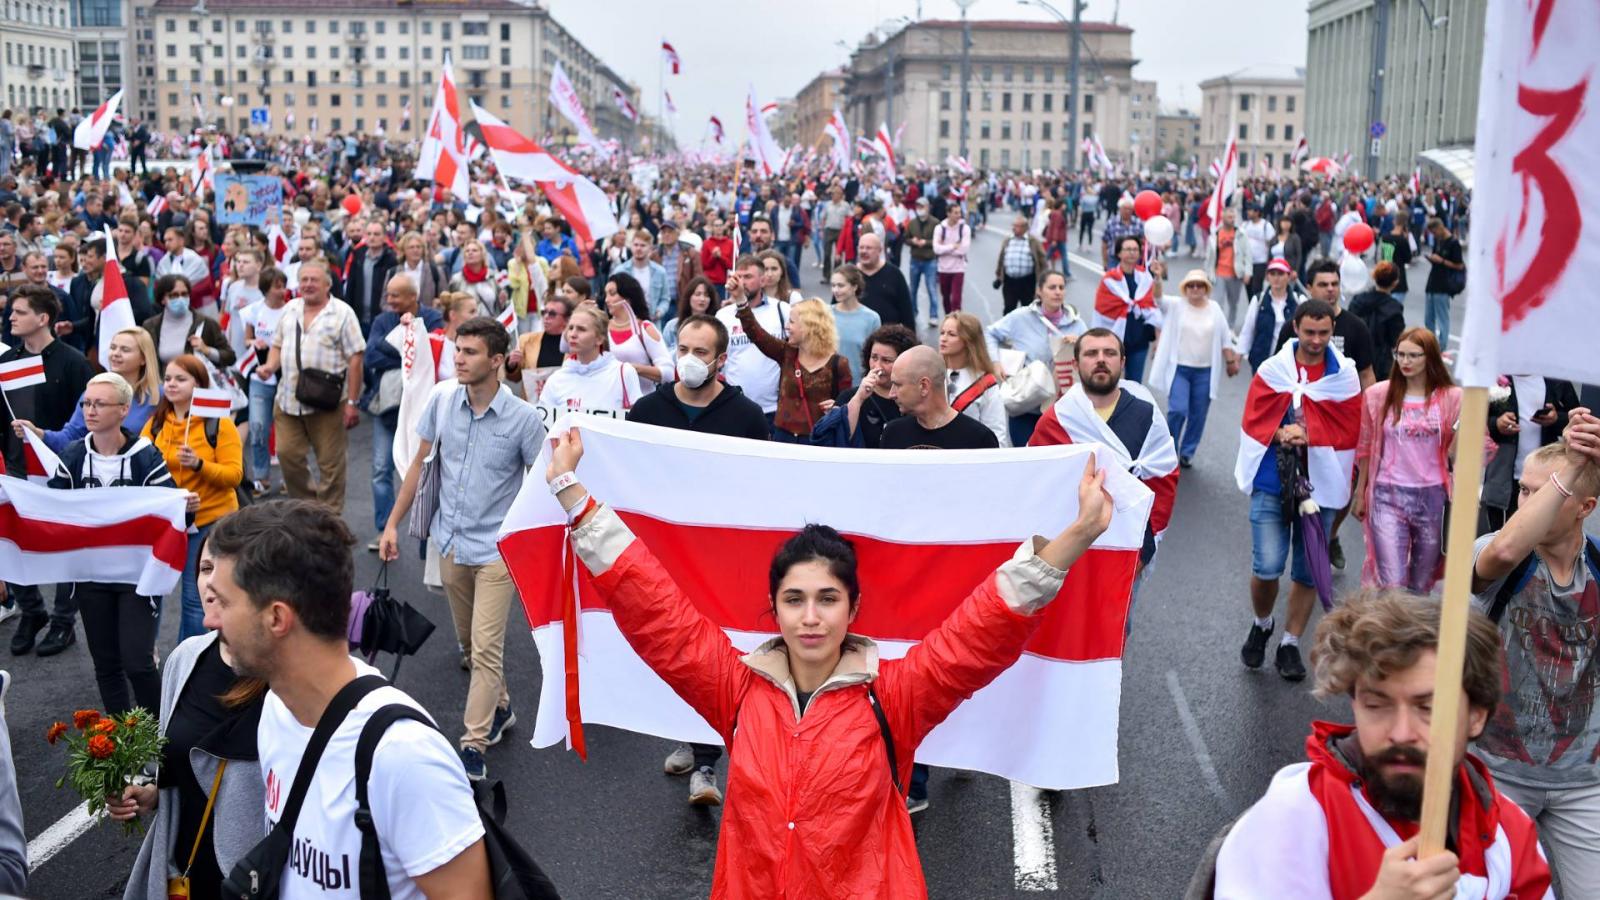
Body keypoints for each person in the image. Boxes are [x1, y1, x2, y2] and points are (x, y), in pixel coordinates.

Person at [543, 417, 1111, 894]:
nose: (810, 616)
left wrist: (1079, 533)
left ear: (853, 608)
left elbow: (981, 631)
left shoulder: (897, 697)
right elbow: (654, 609)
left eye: (827, 599)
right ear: (774, 607)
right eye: (794, 599)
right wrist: (572, 490)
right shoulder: (733, 691)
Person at [206, 501, 491, 896]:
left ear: (276, 618)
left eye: (223, 602)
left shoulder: (404, 757)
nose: (210, 619)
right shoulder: (276, 708)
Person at [1208, 590, 1554, 899]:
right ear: (1355, 703)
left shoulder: (1508, 831)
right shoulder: (1296, 818)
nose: (1401, 733)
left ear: (1477, 716)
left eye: (1428, 708)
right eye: (1377, 704)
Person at [382, 317, 545, 781]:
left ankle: (473, 745)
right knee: (471, 645)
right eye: (457, 350)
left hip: (497, 550)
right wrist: (392, 524)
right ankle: (503, 707)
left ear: (496, 361)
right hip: (450, 542)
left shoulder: (523, 420)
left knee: (488, 647)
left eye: (470, 352)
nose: (458, 359)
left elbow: (539, 484)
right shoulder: (440, 400)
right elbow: (420, 464)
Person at [628, 313, 768, 802]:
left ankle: (706, 763)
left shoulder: (746, 417)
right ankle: (687, 732)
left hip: (721, 559)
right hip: (665, 557)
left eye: (701, 352)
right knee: (674, 650)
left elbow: (762, 485)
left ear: (721, 360)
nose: (690, 359)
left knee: (712, 652)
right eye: (683, 349)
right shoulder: (647, 413)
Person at [1467, 424, 1600, 894]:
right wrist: (1571, 471)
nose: (1527, 504)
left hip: (1584, 780)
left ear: (1586, 508)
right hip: (1497, 772)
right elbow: (1505, 547)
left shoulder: (1597, 565)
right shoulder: (1496, 551)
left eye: (1545, 493)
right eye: (1524, 490)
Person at [112, 534, 269, 900]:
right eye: (204, 568)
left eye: (225, 570)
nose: (210, 582)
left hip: (253, 882)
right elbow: (178, 765)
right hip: (184, 871)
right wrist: (149, 795)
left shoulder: (282, 679)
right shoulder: (185, 658)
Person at [45, 372, 191, 713]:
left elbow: (169, 507)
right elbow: (52, 509)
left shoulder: (144, 455)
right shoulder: (73, 455)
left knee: (138, 662)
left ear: (123, 410)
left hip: (135, 578)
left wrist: (185, 509)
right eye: (86, 403)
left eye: (99, 403)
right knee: (106, 665)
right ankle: (121, 745)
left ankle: (160, 739)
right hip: (89, 576)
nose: (90, 410)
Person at [1237, 300, 1361, 682]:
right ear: (1295, 327)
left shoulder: (1345, 375)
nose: (1316, 340)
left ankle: (1290, 642)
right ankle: (1263, 623)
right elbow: (1253, 419)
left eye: (1324, 333)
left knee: (1307, 572)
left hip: (1321, 485)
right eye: (1309, 332)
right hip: (1273, 479)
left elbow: (1349, 429)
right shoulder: (1273, 370)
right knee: (1267, 566)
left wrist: (1310, 434)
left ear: (1332, 330)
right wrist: (1281, 433)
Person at [1028, 328, 1179, 625]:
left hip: (1125, 548)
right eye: (1091, 353)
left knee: (1115, 633)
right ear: (1075, 364)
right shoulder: (1057, 419)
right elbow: (1035, 484)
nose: (1101, 360)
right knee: (1063, 630)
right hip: (1067, 549)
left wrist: (1145, 550)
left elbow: (1163, 479)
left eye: (1109, 353)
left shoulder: (1147, 416)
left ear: (1122, 362)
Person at [1, 284, 94, 655]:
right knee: (15, 541)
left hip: (62, 469)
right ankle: (32, 611)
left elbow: (89, 419)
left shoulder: (73, 362)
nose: (10, 317)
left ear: (43, 319)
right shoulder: (7, 363)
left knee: (63, 546)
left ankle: (62, 621)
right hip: (17, 468)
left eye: (19, 312)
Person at [142, 355, 243, 640]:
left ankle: (194, 663)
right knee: (152, 593)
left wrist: (199, 464)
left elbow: (234, 476)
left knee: (195, 600)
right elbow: (141, 470)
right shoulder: (155, 424)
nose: (171, 384)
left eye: (180, 379)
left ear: (198, 385)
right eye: (169, 378)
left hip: (210, 523)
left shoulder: (218, 425)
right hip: (169, 524)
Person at [1352, 328, 1460, 594]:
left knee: (1421, 585)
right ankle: (1391, 634)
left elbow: (1465, 450)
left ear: (1430, 358)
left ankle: (1409, 635)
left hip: (1434, 498)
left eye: (1413, 355)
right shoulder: (1379, 395)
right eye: (1400, 354)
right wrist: (1360, 491)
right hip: (1388, 495)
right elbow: (1366, 446)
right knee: (1393, 583)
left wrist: (1462, 432)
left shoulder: (1452, 397)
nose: (1405, 361)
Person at [255, 259, 365, 513]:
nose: (308, 284)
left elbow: (356, 357)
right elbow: (278, 344)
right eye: (304, 280)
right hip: (288, 399)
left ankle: (330, 518)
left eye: (314, 280)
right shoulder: (290, 308)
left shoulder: (342, 313)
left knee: (331, 465)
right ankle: (308, 508)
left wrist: (352, 402)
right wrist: (270, 367)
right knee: (287, 455)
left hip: (327, 402)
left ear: (327, 284)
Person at [362, 273, 442, 549]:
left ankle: (425, 530)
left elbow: (432, 356)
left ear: (413, 297)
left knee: (421, 468)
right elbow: (371, 355)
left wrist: (394, 347)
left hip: (422, 409)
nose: (389, 300)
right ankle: (385, 528)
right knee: (381, 468)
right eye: (388, 295)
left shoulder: (432, 318)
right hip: (389, 406)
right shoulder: (382, 320)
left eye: (395, 295)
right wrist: (409, 353)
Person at [1146, 269, 1239, 467]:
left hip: (1205, 372)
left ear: (1206, 288)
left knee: (1198, 415)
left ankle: (1187, 451)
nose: (1195, 289)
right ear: (1185, 288)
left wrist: (1231, 361)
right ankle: (1169, 450)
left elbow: (1224, 338)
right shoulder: (1176, 305)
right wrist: (1157, 278)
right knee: (1178, 410)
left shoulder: (1214, 309)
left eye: (1199, 285)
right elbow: (1158, 298)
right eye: (1191, 285)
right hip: (1180, 370)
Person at [986, 270, 1088, 447]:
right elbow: (989, 333)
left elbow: (1090, 355)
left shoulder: (1077, 324)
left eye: (1061, 287)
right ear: (1039, 291)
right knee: (1025, 459)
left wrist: (1079, 344)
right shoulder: (1021, 317)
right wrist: (995, 362)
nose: (1057, 292)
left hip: (1060, 410)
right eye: (1052, 287)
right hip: (1026, 404)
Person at [19, 327, 160, 453]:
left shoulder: (161, 396)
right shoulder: (94, 391)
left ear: (143, 358)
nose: (115, 353)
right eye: (113, 347)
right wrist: (38, 433)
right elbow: (72, 436)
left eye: (125, 349)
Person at [736, 296, 851, 443]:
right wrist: (741, 302)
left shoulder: (838, 363)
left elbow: (847, 407)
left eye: (791, 321)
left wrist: (837, 407)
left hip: (819, 440)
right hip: (783, 437)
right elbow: (756, 334)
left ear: (809, 326)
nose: (786, 327)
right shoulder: (786, 353)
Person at [1481, 375, 1579, 533]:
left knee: (1538, 530)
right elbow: (1474, 418)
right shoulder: (1497, 379)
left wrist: (1556, 418)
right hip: (1503, 472)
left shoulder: (1555, 379)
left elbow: (1575, 417)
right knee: (1499, 531)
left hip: (1544, 474)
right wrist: (1496, 423)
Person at [716, 255, 789, 427]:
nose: (741, 283)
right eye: (738, 277)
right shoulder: (724, 315)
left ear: (763, 280)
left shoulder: (782, 310)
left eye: (748, 277)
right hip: (734, 406)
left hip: (773, 409)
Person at [880, 346, 999, 452]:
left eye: (898, 385)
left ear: (924, 386)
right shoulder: (892, 434)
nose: (891, 394)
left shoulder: (979, 439)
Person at [822, 324, 917, 449]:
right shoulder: (849, 397)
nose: (877, 366)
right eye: (874, 358)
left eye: (886, 360)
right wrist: (859, 398)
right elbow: (837, 438)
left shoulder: (914, 399)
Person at [539, 304, 643, 411]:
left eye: (581, 329)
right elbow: (545, 421)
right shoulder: (556, 379)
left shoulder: (623, 372)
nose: (573, 334)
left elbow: (636, 420)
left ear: (599, 339)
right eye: (570, 328)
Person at [239, 267, 288, 496]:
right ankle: (261, 476)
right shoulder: (253, 311)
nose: (282, 290)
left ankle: (292, 475)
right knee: (258, 426)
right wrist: (253, 343)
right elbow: (246, 338)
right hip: (260, 377)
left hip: (287, 376)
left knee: (289, 429)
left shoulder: (292, 311)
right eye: (277, 286)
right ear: (266, 289)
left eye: (283, 285)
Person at [1089, 237, 1163, 384]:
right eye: (1128, 249)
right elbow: (1101, 311)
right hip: (1113, 343)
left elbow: (1154, 307)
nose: (1132, 253)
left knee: (1134, 384)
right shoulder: (1109, 280)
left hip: (1139, 340)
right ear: (1119, 253)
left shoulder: (1145, 278)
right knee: (1112, 383)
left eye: (1135, 249)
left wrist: (1158, 277)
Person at [937, 312, 1008, 447]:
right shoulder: (931, 375)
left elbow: (996, 431)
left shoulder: (986, 383)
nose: (943, 339)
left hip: (970, 457)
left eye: (951, 334)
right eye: (942, 333)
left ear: (968, 340)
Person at [142, 274, 235, 368]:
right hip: (163, 381)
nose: (180, 299)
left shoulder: (206, 323)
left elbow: (230, 357)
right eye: (174, 295)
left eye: (184, 294)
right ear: (162, 299)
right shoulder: (151, 326)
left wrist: (207, 350)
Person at [603, 271, 674, 390]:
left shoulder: (645, 328)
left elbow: (669, 373)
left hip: (642, 402)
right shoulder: (602, 328)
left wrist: (633, 369)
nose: (606, 300)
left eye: (612, 294)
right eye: (606, 294)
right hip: (609, 404)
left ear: (628, 297)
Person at [1235, 257, 1305, 372]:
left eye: (1281, 274)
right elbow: (1248, 329)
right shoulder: (1258, 300)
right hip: (1263, 362)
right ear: (1267, 277)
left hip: (1291, 364)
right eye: (1273, 274)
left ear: (1288, 276)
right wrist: (1238, 357)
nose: (1276, 278)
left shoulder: (1299, 301)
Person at [1346, 261, 1407, 382]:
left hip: (1354, 356)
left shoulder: (1358, 300)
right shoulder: (1394, 308)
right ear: (1395, 283)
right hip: (1380, 361)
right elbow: (1397, 340)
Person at [508, 295, 571, 402]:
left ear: (566, 319)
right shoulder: (526, 340)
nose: (546, 316)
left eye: (552, 314)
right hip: (532, 406)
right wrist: (511, 365)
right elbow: (515, 378)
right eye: (544, 312)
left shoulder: (574, 343)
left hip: (563, 406)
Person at [827, 265, 881, 386]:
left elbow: (876, 356)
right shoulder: (825, 313)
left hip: (858, 385)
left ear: (855, 287)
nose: (835, 290)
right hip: (828, 384)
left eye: (840, 285)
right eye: (833, 285)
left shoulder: (871, 318)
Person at [341, 219, 396, 329]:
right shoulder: (358, 255)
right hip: (359, 318)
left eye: (376, 234)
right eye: (369, 234)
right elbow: (351, 287)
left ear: (384, 236)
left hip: (382, 319)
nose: (372, 237)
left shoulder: (391, 259)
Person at [856, 233, 915, 329]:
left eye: (869, 248)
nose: (864, 251)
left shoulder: (894, 274)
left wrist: (911, 341)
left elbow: (906, 312)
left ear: (880, 250)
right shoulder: (850, 274)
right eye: (861, 248)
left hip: (886, 338)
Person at [1205, 207, 1252, 325]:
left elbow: (1248, 254)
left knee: (1233, 303)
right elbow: (1209, 257)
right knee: (1217, 303)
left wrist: (1248, 272)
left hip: (1235, 273)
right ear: (1223, 218)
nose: (1232, 220)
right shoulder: (1215, 234)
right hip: (1219, 273)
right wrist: (1207, 274)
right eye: (1229, 217)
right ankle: (1219, 326)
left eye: (1233, 217)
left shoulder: (1241, 234)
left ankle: (1230, 327)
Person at [1423, 217, 1465, 346]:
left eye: (1434, 232)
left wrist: (1441, 260)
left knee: (1442, 319)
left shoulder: (1453, 243)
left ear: (1440, 228)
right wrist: (1432, 259)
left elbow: (1460, 265)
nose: (1434, 235)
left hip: (1444, 284)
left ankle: (1441, 346)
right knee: (1428, 318)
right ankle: (1431, 344)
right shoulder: (1438, 240)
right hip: (1432, 283)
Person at [615, 229, 673, 322]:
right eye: (636, 245)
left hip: (652, 323)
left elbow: (665, 298)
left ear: (650, 248)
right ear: (631, 246)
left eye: (643, 245)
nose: (638, 248)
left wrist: (659, 312)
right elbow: (614, 298)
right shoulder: (620, 271)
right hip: (627, 322)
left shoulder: (660, 272)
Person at [995, 214, 1046, 317]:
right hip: (1010, 281)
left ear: (1024, 227)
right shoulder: (1008, 240)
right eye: (1013, 225)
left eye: (1017, 226)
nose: (1014, 228)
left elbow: (1042, 260)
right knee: (1009, 308)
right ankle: (1008, 332)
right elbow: (1001, 259)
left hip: (1027, 281)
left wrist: (1043, 280)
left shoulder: (1033, 241)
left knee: (1028, 310)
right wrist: (999, 277)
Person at [902, 198, 940, 327]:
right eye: (918, 206)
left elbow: (938, 240)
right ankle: (913, 312)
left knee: (931, 289)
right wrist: (912, 241)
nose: (920, 209)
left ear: (928, 207)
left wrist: (926, 242)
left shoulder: (935, 223)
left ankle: (933, 315)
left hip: (930, 260)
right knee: (913, 289)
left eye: (922, 206)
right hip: (915, 259)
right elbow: (905, 238)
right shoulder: (912, 223)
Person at [932, 203, 970, 318]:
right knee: (946, 297)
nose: (959, 215)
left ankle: (957, 324)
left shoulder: (964, 228)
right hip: (943, 268)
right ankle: (948, 319)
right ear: (948, 213)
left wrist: (945, 248)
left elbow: (964, 249)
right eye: (955, 213)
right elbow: (936, 249)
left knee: (956, 300)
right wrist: (953, 246)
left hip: (958, 268)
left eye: (959, 212)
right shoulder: (940, 228)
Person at [664, 277, 717, 351]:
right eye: (697, 294)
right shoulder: (672, 326)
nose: (702, 299)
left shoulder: (716, 327)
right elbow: (665, 355)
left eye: (706, 295)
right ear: (689, 297)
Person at [1098, 196, 1144, 271]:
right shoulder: (1112, 222)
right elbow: (1104, 243)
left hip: (1133, 260)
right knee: (1113, 281)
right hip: (1115, 259)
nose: (1127, 211)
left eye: (1130, 209)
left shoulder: (1138, 223)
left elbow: (1142, 242)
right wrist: (1105, 261)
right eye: (1125, 208)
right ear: (1120, 209)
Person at [1239, 205, 1274, 300]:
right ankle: (1251, 306)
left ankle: (1257, 307)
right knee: (1248, 288)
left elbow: (1271, 244)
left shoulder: (1266, 226)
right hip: (1247, 262)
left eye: (1250, 210)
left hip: (1260, 262)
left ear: (1257, 212)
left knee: (1256, 288)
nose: (1248, 213)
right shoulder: (1245, 225)